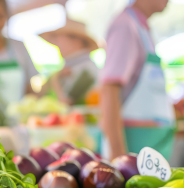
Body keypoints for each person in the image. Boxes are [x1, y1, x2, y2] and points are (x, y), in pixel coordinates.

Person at [100, 0, 173, 160]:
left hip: (150, 147)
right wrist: (117, 154)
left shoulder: (141, 28)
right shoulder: (125, 26)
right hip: (132, 149)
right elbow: (109, 89)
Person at [40, 18, 99, 105]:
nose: (56, 44)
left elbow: (67, 104)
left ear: (77, 41)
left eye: (59, 39)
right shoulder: (69, 67)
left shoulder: (87, 69)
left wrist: (55, 80)